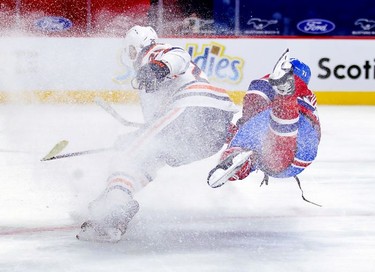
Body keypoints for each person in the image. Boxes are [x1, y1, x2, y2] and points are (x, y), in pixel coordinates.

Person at [76, 25, 238, 242]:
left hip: (193, 105)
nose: (131, 56)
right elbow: (156, 128)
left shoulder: (153, 53)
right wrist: (134, 139)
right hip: (209, 132)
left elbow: (179, 56)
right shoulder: (147, 80)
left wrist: (159, 67)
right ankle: (118, 196)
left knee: (127, 157)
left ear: (140, 45)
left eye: (132, 50)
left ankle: (116, 204)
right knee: (151, 156)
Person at [207, 49, 321, 198]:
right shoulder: (305, 97)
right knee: (260, 153)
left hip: (297, 141)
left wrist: (242, 125)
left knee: (260, 132)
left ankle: (238, 153)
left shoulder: (302, 92)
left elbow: (258, 91)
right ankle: (240, 164)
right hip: (290, 156)